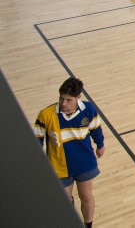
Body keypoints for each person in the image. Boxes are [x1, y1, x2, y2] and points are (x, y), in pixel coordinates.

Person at [34, 77, 105, 228]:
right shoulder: (46, 115)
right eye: (61, 98)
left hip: (84, 162)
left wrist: (100, 144)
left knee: (86, 196)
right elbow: (37, 139)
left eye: (68, 100)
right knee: (64, 202)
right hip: (59, 166)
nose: (63, 103)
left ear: (78, 97)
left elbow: (95, 128)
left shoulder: (88, 109)